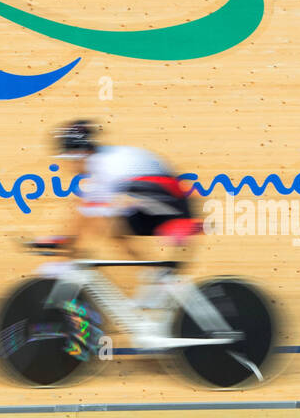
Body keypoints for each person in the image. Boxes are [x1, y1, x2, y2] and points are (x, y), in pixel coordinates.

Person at [40, 121, 202, 350]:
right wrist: (67, 245)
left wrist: (67, 256)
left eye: (68, 160)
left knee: (105, 218)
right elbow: (83, 213)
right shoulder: (101, 165)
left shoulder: (105, 166)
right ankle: (157, 277)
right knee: (115, 227)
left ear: (81, 154)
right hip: (162, 195)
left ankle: (159, 279)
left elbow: (88, 218)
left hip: (167, 198)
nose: (68, 166)